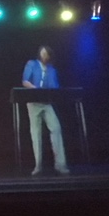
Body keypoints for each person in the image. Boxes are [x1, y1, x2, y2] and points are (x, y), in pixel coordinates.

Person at [21, 45, 70, 176]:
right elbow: (25, 81)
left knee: (56, 128)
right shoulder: (32, 64)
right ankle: (38, 165)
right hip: (33, 102)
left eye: (46, 54)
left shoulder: (51, 69)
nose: (43, 55)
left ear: (49, 56)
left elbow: (54, 87)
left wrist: (52, 91)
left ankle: (60, 164)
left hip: (47, 103)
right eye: (42, 53)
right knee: (36, 133)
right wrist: (36, 89)